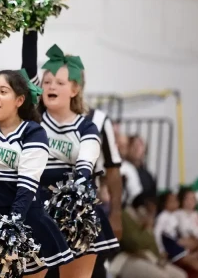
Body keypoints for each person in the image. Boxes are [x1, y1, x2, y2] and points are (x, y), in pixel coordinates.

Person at [0, 21, 73, 277]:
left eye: (2, 91)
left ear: (20, 100)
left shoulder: (33, 132)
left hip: (23, 223)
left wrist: (11, 228)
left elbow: (26, 186)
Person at [22, 39, 119, 278]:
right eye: (46, 82)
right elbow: (27, 70)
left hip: (73, 208)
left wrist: (80, 185)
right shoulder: (34, 122)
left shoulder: (87, 127)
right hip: (36, 208)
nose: (51, 86)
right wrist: (31, 28)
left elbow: (86, 160)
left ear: (74, 89)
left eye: (59, 82)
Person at [86, 108, 122, 278]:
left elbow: (113, 170)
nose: (52, 86)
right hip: (46, 207)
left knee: (94, 269)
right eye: (47, 81)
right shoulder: (39, 115)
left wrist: (116, 214)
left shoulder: (97, 119)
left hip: (84, 210)